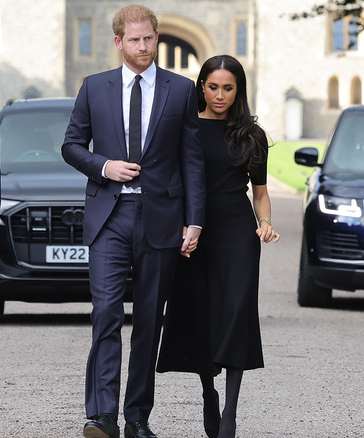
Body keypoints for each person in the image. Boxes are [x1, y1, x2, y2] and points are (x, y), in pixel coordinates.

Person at [61, 5, 206, 438]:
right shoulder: (93, 87)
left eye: (150, 39)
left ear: (156, 38)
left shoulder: (181, 90)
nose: (143, 47)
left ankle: (137, 416)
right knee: (105, 313)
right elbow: (71, 146)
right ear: (119, 41)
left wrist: (194, 220)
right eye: (135, 39)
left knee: (148, 319)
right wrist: (104, 167)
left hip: (161, 217)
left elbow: (191, 160)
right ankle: (101, 416)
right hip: (110, 215)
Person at [156, 54, 280, 438]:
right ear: (202, 87)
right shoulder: (184, 126)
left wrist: (266, 223)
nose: (220, 95)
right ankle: (208, 390)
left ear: (238, 90)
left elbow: (260, 194)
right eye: (213, 87)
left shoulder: (251, 135)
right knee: (200, 314)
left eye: (228, 88)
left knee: (236, 314)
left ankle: (229, 413)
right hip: (194, 233)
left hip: (237, 235)